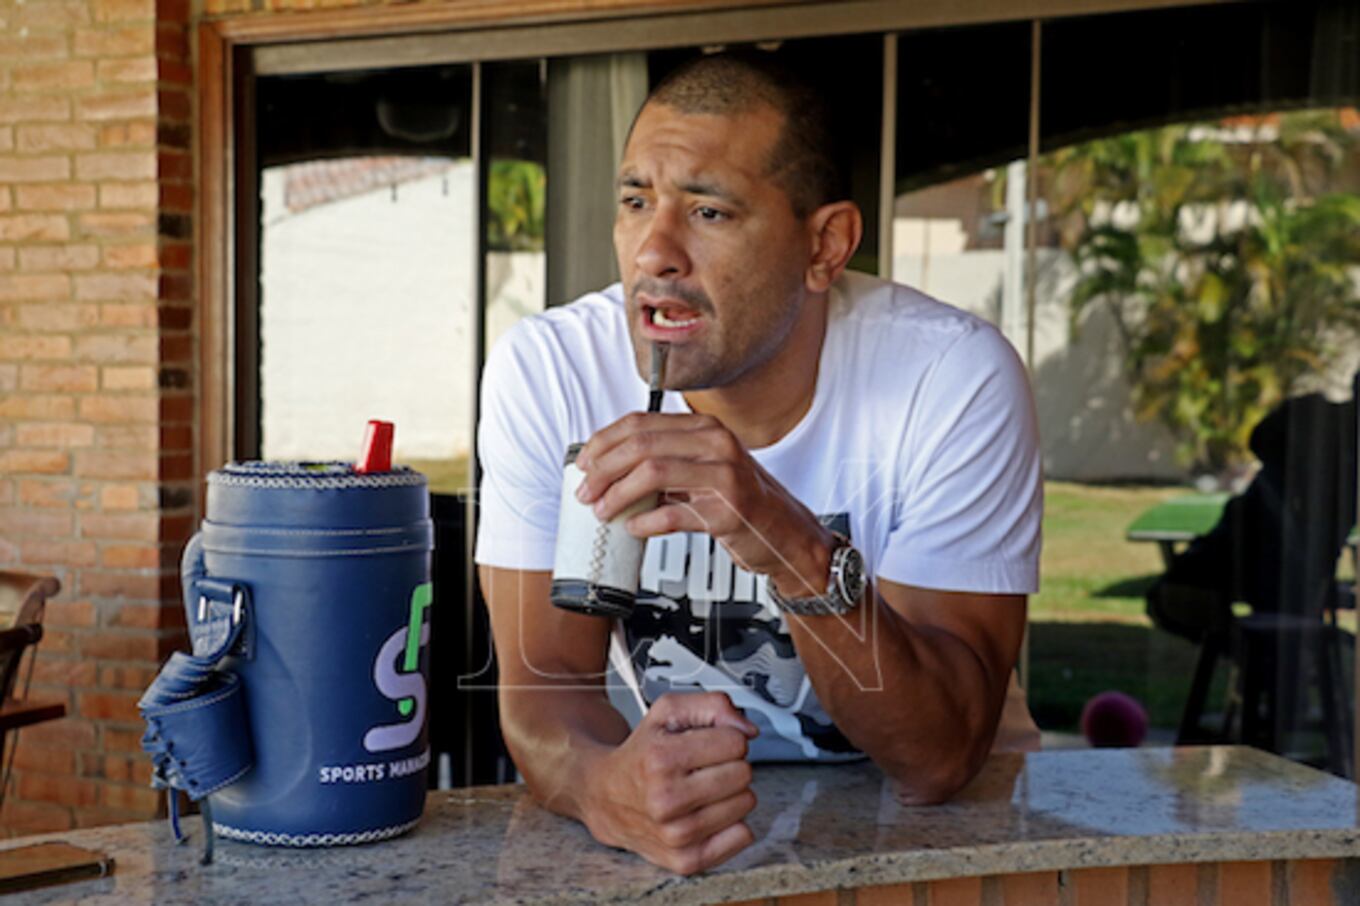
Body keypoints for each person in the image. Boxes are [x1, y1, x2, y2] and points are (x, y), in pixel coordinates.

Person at [474, 50, 1043, 876]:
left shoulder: (949, 377)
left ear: (826, 244)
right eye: (637, 202)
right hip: (670, 851)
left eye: (708, 212)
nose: (654, 253)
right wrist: (604, 787)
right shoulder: (552, 369)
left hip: (931, 854)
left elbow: (936, 761)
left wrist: (780, 534)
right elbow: (545, 691)